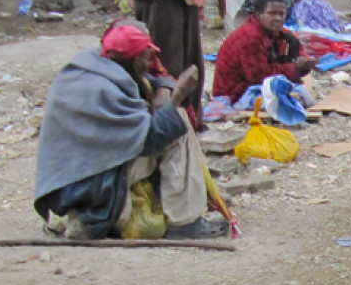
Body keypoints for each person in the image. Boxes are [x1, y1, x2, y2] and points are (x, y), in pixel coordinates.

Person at [33, 24, 227, 240]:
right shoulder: (103, 91)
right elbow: (151, 138)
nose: (149, 63)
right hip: (90, 183)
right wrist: (177, 96)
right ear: (134, 61)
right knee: (176, 126)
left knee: (166, 115)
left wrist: (163, 89)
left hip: (71, 176)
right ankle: (183, 221)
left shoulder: (90, 65)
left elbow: (153, 75)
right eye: (145, 58)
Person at [211, 0, 316, 103]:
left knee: (301, 96)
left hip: (250, 87)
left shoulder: (271, 29)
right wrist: (295, 68)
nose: (278, 18)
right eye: (272, 13)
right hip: (233, 95)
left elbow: (293, 42)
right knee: (295, 99)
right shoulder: (250, 37)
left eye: (281, 14)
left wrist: (304, 60)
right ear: (258, 15)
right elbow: (261, 77)